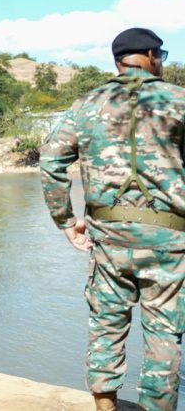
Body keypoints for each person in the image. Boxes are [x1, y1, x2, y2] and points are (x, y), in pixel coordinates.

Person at [40, 28, 185, 411]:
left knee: (107, 324)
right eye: (162, 56)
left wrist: (66, 220)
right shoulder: (180, 101)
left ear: (118, 61)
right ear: (152, 55)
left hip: (108, 239)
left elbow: (51, 162)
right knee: (164, 333)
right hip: (170, 241)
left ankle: (105, 407)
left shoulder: (86, 104)